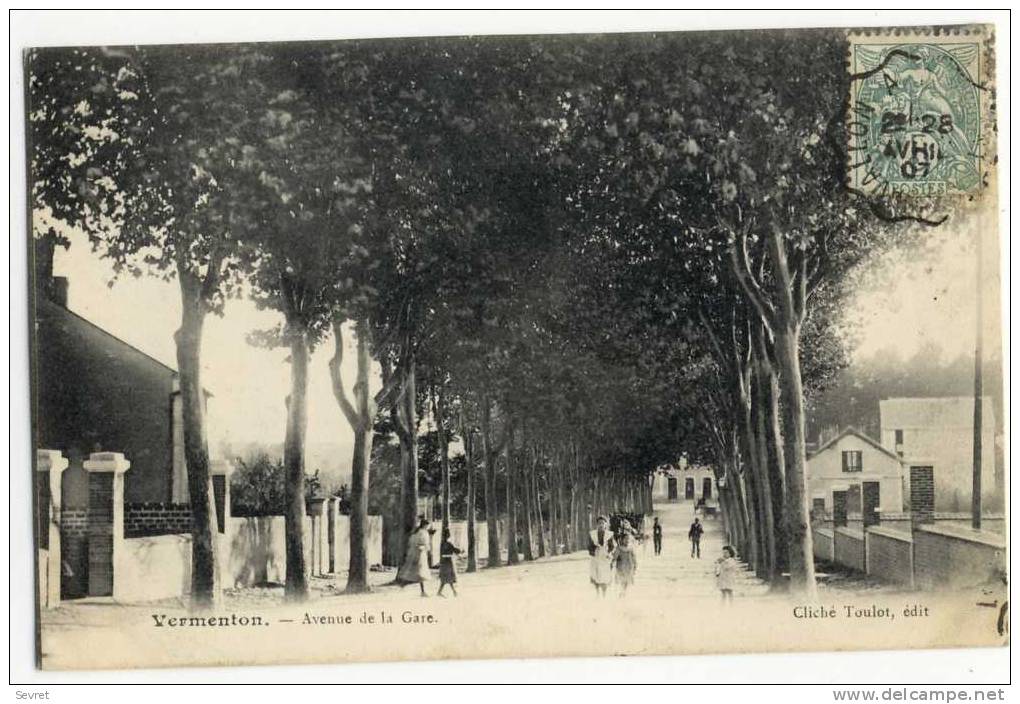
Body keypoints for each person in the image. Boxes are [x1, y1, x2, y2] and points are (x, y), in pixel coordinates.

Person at [397, 517, 432, 596]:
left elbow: (411, 542)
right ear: (425, 525)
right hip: (420, 554)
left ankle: (404, 584)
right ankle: (422, 591)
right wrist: (427, 549)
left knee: (414, 571)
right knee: (420, 573)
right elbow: (426, 544)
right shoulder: (424, 533)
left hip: (414, 553)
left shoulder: (416, 532)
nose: (428, 527)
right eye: (427, 525)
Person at [587, 515, 615, 597]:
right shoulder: (592, 534)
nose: (601, 525)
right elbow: (589, 545)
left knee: (604, 575)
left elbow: (612, 546)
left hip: (605, 557)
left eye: (603, 523)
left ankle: (604, 593)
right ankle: (597, 592)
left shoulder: (609, 534)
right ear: (597, 525)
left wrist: (609, 552)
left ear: (606, 524)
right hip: (596, 556)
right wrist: (593, 550)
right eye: (599, 523)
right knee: (596, 574)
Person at [437, 528, 462, 597]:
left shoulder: (442, 544)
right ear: (448, 535)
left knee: (445, 578)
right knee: (449, 577)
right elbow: (455, 550)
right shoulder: (448, 544)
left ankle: (443, 592)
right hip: (448, 561)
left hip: (443, 562)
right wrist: (461, 551)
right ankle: (454, 592)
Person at [613, 530, 638, 596]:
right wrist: (612, 562)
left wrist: (635, 564)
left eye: (628, 539)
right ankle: (622, 591)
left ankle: (624, 591)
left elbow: (634, 557)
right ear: (622, 539)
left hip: (629, 566)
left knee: (627, 580)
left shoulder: (630, 548)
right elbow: (615, 557)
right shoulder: (619, 548)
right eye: (625, 539)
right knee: (622, 579)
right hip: (621, 566)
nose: (627, 540)